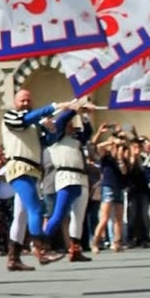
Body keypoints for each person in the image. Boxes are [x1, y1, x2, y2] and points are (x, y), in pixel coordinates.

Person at [2, 90, 73, 270]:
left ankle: (13, 258)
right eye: (22, 100)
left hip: (32, 170)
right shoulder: (10, 116)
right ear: (15, 102)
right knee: (35, 208)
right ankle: (42, 250)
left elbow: (49, 141)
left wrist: (55, 125)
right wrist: (55, 107)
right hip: (19, 167)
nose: (25, 103)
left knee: (21, 214)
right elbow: (23, 121)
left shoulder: (35, 125)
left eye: (28, 100)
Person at [43, 107, 94, 261]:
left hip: (81, 178)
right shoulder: (54, 137)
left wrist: (84, 115)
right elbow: (61, 121)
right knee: (58, 215)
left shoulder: (76, 139)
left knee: (78, 217)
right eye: (69, 125)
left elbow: (88, 132)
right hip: (66, 177)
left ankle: (75, 249)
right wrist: (74, 110)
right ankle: (41, 245)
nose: (71, 127)